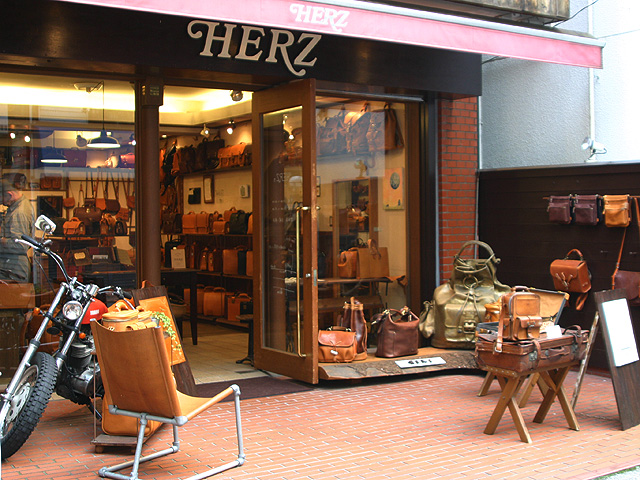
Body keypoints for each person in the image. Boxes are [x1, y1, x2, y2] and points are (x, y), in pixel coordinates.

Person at [0, 179, 35, 282]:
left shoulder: (19, 213)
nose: (3, 204)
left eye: (2, 200)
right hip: (11, 266)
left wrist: (2, 240)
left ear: (9, 194)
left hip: (14, 269)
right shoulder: (20, 206)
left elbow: (21, 245)